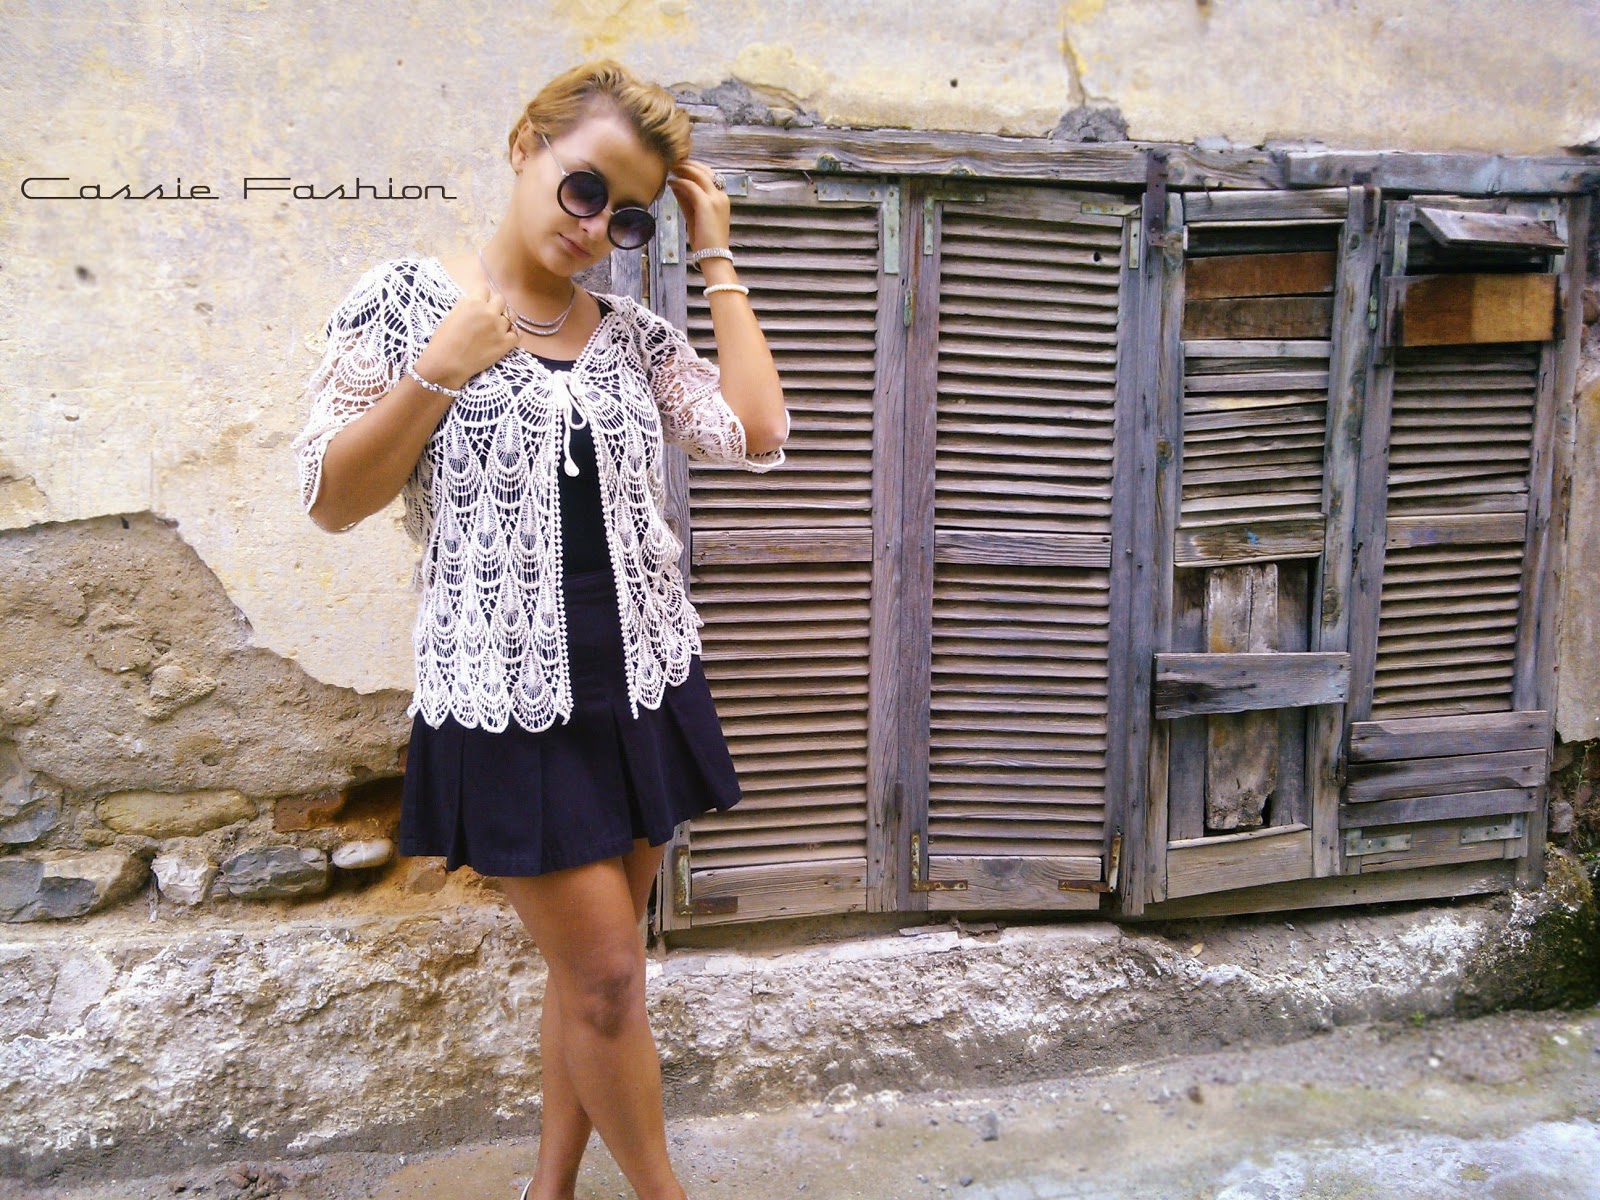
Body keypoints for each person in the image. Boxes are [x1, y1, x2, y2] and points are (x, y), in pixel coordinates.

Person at [289, 59, 789, 1200]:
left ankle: (548, 1190)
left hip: (644, 682)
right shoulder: (404, 303)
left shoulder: (633, 337)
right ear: (526, 145)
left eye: (629, 215)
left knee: (595, 979)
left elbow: (756, 433)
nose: (596, 228)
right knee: (608, 978)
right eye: (583, 188)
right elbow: (329, 499)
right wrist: (436, 373)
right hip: (505, 693)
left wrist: (714, 256)